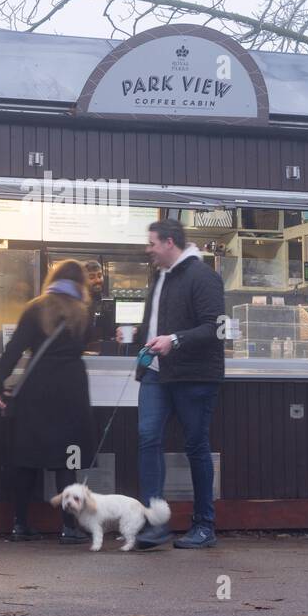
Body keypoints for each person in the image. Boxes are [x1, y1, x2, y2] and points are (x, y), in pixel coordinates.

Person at [0, 260, 99, 544]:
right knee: (67, 460)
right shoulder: (85, 313)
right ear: (81, 284)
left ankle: (20, 524)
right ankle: (69, 527)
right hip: (71, 388)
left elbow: (14, 349)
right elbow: (89, 342)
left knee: (26, 457)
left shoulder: (37, 307)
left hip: (38, 387)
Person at [133, 218, 225, 550]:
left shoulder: (203, 277)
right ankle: (155, 523)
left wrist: (175, 340)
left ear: (169, 243)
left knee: (196, 447)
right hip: (157, 373)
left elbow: (217, 328)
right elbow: (155, 323)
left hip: (194, 376)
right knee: (147, 438)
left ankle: (204, 525)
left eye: (152, 243)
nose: (148, 250)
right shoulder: (160, 276)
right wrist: (135, 335)